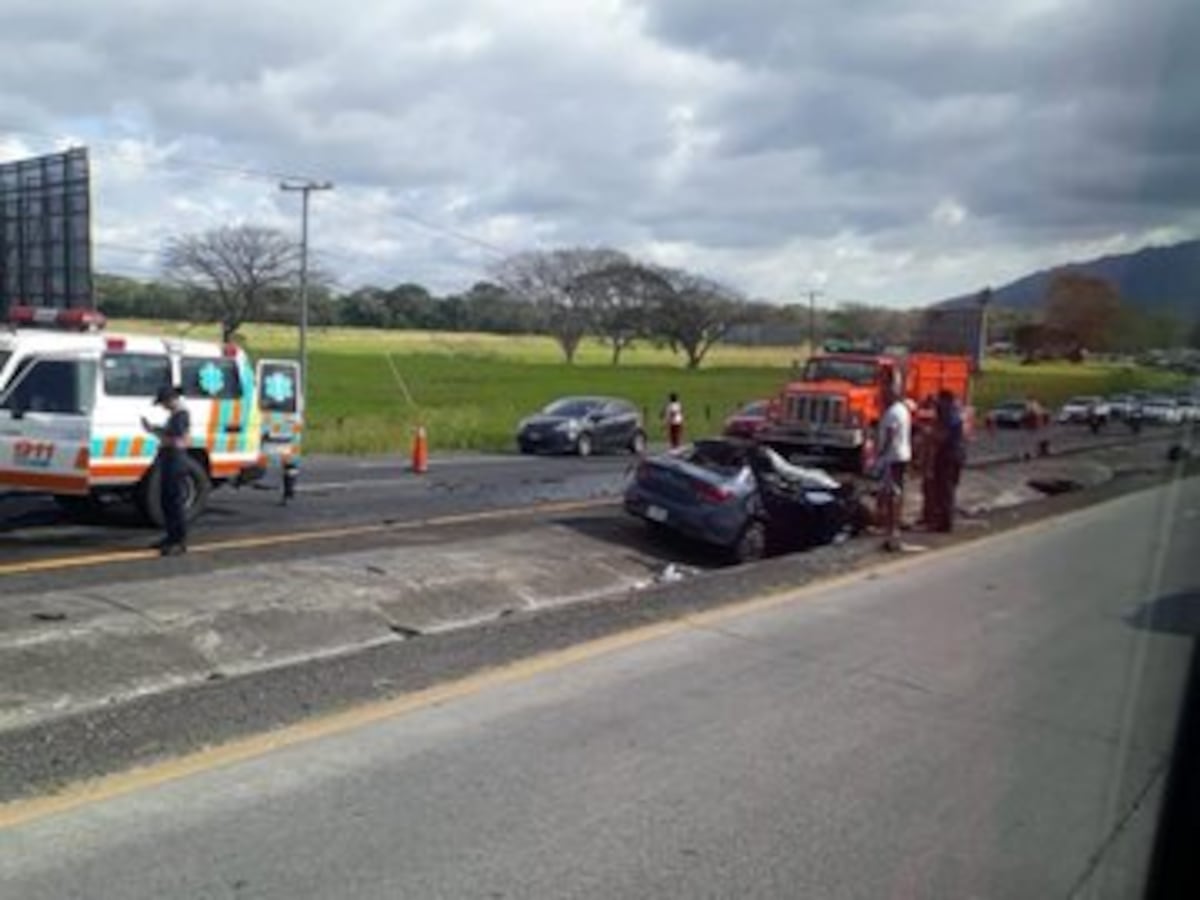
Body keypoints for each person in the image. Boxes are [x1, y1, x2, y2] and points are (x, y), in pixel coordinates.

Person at [141, 385, 191, 556]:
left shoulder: (181, 415)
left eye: (164, 402)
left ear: (171, 400)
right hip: (170, 457)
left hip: (175, 458)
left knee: (174, 501)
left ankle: (179, 540)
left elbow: (177, 438)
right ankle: (171, 536)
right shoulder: (175, 416)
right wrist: (155, 430)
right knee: (166, 500)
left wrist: (158, 434)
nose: (163, 406)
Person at [874, 377, 913, 552]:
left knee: (892, 493)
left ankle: (892, 527)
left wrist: (880, 455)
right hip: (901, 454)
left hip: (892, 456)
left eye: (885, 393)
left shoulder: (892, 413)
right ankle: (891, 524)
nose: (882, 396)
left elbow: (889, 436)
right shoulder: (903, 410)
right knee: (896, 491)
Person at [928, 389, 965, 533]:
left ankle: (945, 522)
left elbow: (942, 437)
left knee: (945, 488)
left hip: (948, 455)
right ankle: (944, 519)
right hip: (955, 454)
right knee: (947, 488)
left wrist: (929, 434)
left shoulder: (949, 416)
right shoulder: (954, 413)